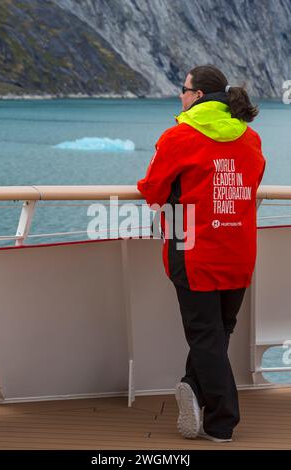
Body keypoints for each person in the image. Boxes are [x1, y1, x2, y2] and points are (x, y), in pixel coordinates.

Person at [137, 65, 266, 443]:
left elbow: (152, 191)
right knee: (217, 332)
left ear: (197, 96)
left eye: (183, 89)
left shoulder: (178, 137)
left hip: (194, 252)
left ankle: (222, 421)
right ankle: (193, 387)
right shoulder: (251, 139)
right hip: (239, 250)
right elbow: (253, 181)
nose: (180, 95)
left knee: (205, 336)